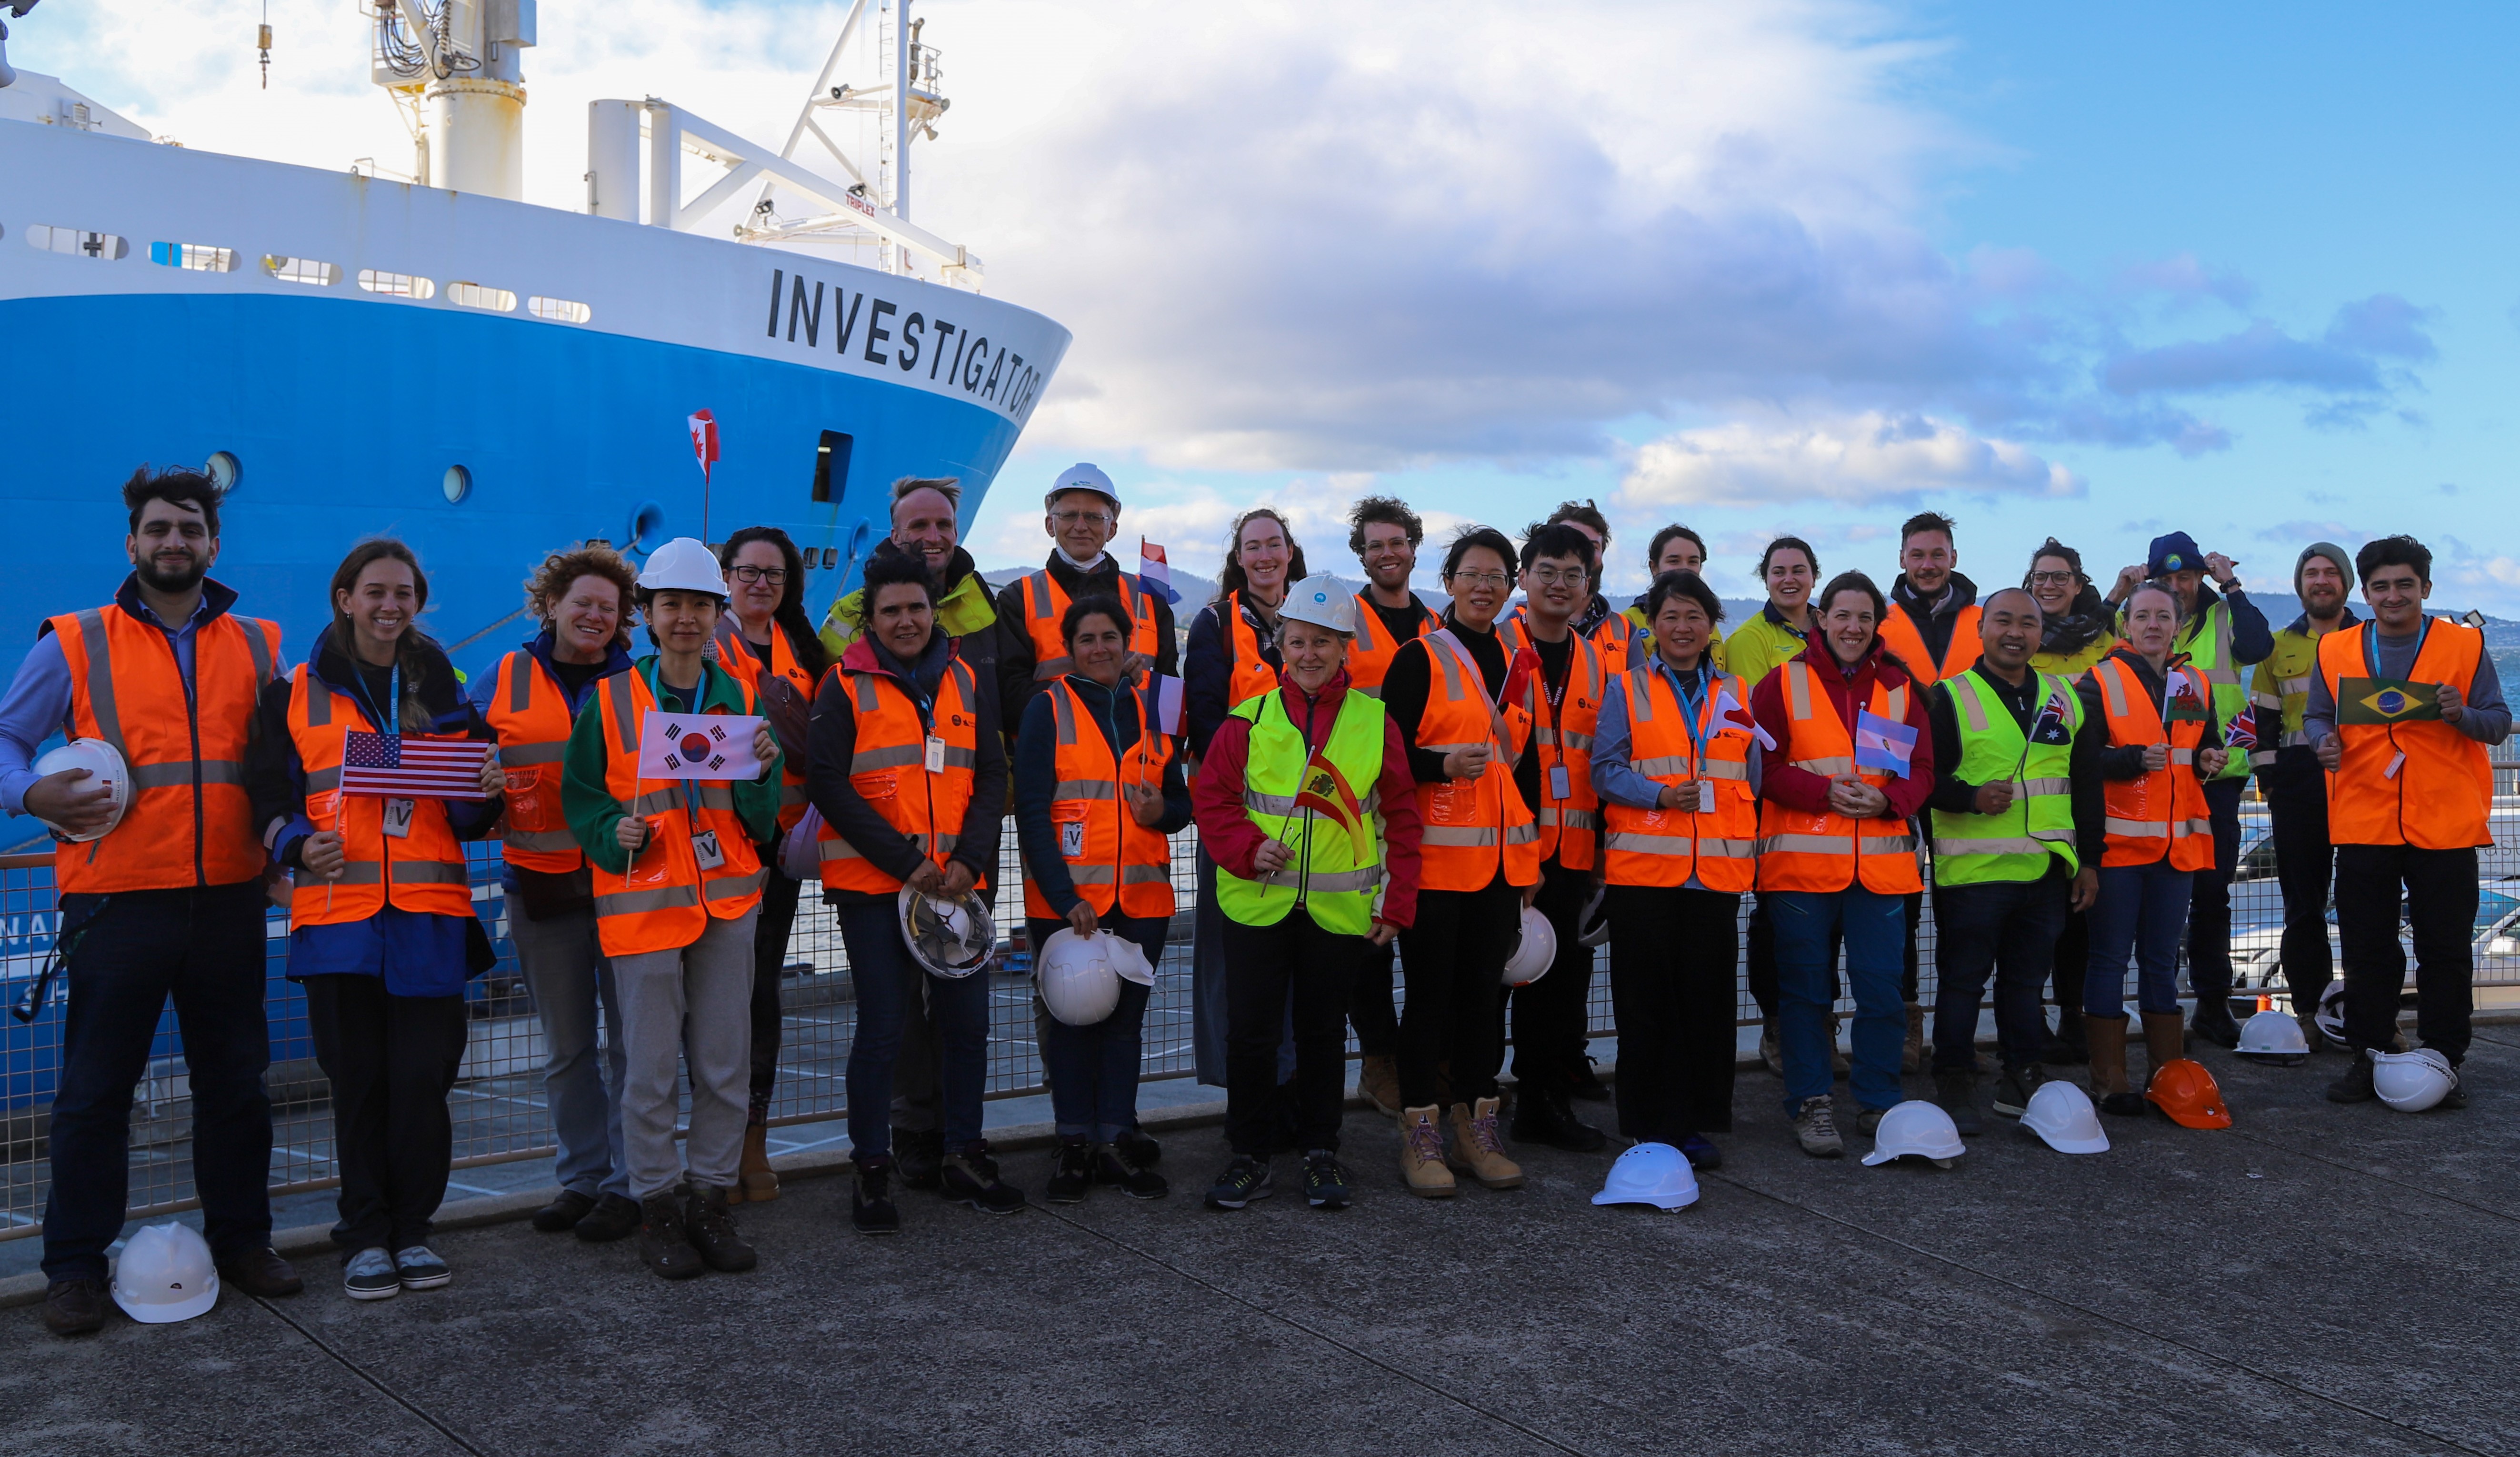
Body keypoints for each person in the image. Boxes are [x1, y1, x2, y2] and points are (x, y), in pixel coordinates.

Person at [4, 467, 299, 1336]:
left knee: (236, 1084)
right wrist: (31, 796)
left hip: (228, 900)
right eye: (159, 529)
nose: (175, 542)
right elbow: (7, 737)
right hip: (117, 901)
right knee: (95, 1092)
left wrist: (284, 845)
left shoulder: (257, 645)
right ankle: (73, 1268)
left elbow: (281, 761)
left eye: (191, 529)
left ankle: (244, 1241)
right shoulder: (74, 639)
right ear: (131, 543)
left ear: (214, 543)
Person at [251, 538, 503, 1299]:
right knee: (357, 1080)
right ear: (345, 597)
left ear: (417, 602)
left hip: (428, 912)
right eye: (376, 591)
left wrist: (486, 787)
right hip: (338, 915)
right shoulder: (291, 692)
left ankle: (414, 1229)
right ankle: (364, 1233)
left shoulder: (448, 688)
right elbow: (264, 800)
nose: (390, 605)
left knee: (423, 1078)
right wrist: (296, 843)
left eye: (404, 593)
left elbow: (468, 816)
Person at [561, 538, 783, 1279]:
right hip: (645, 903)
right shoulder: (610, 699)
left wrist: (767, 767)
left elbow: (756, 816)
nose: (685, 618)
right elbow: (583, 797)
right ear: (648, 617)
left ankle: (709, 1199)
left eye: (698, 605)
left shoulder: (743, 699)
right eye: (671, 605)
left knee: (724, 1064)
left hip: (726, 903)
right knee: (650, 1068)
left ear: (718, 615)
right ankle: (659, 1205)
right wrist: (607, 830)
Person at [1193, 577, 1421, 1210]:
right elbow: (1213, 802)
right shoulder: (1248, 720)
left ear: (1346, 645)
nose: (1310, 653)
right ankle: (1250, 1153)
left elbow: (1400, 816)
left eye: (1323, 641)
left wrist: (1397, 902)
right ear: (1280, 645)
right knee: (1252, 1036)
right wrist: (1245, 848)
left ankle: (1323, 1151)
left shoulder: (1375, 722)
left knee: (1323, 1033)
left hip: (1338, 910)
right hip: (1257, 904)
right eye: (1298, 640)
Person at [810, 549, 1016, 1231]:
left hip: (957, 887)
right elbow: (829, 784)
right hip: (875, 887)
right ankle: (873, 1167)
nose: (906, 621)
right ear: (871, 618)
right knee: (884, 1029)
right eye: (892, 610)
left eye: (917, 608)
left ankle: (964, 1152)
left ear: (935, 611)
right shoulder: (843, 684)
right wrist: (906, 862)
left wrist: (968, 857)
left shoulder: (962, 678)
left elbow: (991, 774)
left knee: (967, 1027)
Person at [477, 546, 642, 1244]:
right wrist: (477, 786)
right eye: (583, 603)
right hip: (541, 890)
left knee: (636, 1046)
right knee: (569, 1047)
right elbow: (462, 769)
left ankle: (633, 1182)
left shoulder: (643, 681)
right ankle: (582, 1178)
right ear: (550, 604)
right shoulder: (503, 676)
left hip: (627, 888)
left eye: (609, 606)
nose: (596, 615)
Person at [2310, 536, 2510, 1106]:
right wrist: (2322, 741)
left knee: (2444, 948)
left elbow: (2497, 722)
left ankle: (2444, 1060)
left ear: (2426, 587)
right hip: (2363, 819)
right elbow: (2320, 717)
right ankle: (2368, 1054)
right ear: (2365, 592)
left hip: (2445, 822)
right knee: (2368, 948)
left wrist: (2460, 714)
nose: (2393, 595)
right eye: (2381, 586)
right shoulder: (2336, 649)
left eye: (2405, 584)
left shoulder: (2465, 645)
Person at [1750, 571, 1935, 1157]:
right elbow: (1762, 768)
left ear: (1876, 623)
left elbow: (1924, 771)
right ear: (1820, 618)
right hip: (1800, 870)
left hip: (1880, 872)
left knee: (1882, 990)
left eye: (1863, 617)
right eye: (1841, 615)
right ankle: (1812, 1101)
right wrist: (1822, 793)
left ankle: (1878, 1100)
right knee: (1805, 992)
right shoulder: (1780, 684)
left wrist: (1889, 799)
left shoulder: (1901, 688)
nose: (1852, 627)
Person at [1016, 593, 1191, 1202]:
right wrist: (1065, 898)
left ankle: (1115, 1136)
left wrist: (1161, 811)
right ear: (1070, 648)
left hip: (1143, 900)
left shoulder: (1157, 709)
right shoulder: (1047, 709)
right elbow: (1032, 813)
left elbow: (1182, 804)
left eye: (1109, 638)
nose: (1099, 649)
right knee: (1071, 1024)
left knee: (1123, 1027)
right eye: (1086, 639)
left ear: (1126, 643)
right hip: (1069, 908)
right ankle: (1073, 1143)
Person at [1379, 527, 1539, 1194]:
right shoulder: (1420, 657)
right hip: (1437, 870)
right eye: (1473, 573)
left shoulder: (1516, 662)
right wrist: (1440, 764)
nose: (1485, 586)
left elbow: (1524, 771)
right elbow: (1385, 762)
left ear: (1510, 587)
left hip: (1501, 869)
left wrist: (1530, 867)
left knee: (1484, 1004)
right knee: (1429, 1004)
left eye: (1498, 576)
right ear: (1448, 581)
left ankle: (1478, 1130)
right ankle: (1421, 1135)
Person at [1590, 569, 1758, 1170]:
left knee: (1706, 1004)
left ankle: (1693, 1122)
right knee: (1643, 1005)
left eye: (1693, 616)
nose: (1682, 627)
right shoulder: (1625, 688)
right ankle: (1646, 1123)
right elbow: (1603, 770)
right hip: (1644, 877)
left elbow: (1750, 779)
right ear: (1653, 626)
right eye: (1670, 616)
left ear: (1711, 624)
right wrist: (1658, 796)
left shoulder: (1736, 692)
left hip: (1715, 876)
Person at [1922, 588, 2102, 1136]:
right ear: (1981, 627)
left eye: (2028, 622)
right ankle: (1955, 1076)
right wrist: (1969, 797)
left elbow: (2086, 785)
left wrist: (2089, 861)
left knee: (2026, 984)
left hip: (2045, 872)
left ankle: (2021, 1073)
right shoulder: (1949, 697)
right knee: (1962, 983)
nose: (2016, 632)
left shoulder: (2066, 697)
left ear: (2041, 633)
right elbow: (1921, 780)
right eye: (2004, 620)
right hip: (1974, 875)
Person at [2103, 531, 2271, 1048]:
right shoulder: (2130, 615)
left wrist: (2233, 585)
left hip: (2213, 776)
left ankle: (2212, 1004)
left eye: (2188, 576)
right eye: (2168, 579)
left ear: (2202, 576)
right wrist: (2115, 592)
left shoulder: (2224, 615)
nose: (2179, 586)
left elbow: (2260, 645)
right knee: (2150, 908)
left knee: (2211, 894)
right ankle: (2160, 1007)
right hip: (2139, 781)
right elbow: (2088, 645)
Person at [711, 526, 832, 1205]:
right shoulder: (702, 642)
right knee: (714, 997)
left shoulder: (806, 656)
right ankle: (715, 1141)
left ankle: (751, 1137)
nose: (761, 583)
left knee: (760, 993)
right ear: (726, 576)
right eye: (749, 571)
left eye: (775, 574)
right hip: (718, 843)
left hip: (780, 849)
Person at [2077, 583, 2228, 1116]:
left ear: (2179, 626)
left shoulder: (2195, 681)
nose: (2153, 625)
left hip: (2177, 849)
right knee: (2111, 958)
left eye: (2163, 616)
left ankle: (2168, 1070)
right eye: (2142, 616)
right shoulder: (2098, 680)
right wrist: (2132, 760)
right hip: (2119, 848)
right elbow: (2085, 761)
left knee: (2162, 960)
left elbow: (2204, 739)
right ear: (2126, 626)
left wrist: (2211, 754)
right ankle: (2110, 1075)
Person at [1493, 522, 1609, 1151]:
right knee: (1487, 988)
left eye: (1573, 574)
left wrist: (1599, 862)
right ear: (1524, 577)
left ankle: (1542, 1103)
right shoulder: (1494, 647)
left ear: (1589, 587)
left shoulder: (1596, 660)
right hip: (1501, 851)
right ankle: (1472, 1109)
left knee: (1557, 992)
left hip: (1569, 855)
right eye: (1547, 571)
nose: (1560, 584)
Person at [1184, 508, 1304, 1094]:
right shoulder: (1213, 624)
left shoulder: (1313, 614)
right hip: (1239, 817)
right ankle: (1244, 1085)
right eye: (1252, 546)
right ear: (1238, 557)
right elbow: (1206, 719)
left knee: (1302, 956)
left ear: (1289, 551)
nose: (1264, 556)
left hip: (1311, 818)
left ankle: (1294, 1080)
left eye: (1274, 544)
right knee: (1233, 956)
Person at [1724, 536, 1831, 1076]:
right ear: (1764, 578)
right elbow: (1753, 727)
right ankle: (1779, 1025)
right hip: (1781, 799)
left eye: (1799, 569)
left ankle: (1819, 1026)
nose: (1789, 578)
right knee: (1777, 922)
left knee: (1828, 925)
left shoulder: (1836, 625)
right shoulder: (1750, 638)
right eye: (1778, 570)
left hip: (1839, 810)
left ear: (1815, 575)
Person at [1343, 496, 1435, 1116]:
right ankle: (1379, 1064)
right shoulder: (1345, 620)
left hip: (1428, 802)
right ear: (1362, 554)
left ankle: (1423, 1063)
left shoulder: (1440, 624)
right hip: (1363, 803)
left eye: (1396, 541)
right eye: (1375, 544)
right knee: (1369, 946)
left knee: (1426, 946)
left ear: (1413, 546)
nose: (1386, 553)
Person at [1879, 511, 1980, 1074]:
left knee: (1965, 918)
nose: (1927, 564)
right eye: (1917, 554)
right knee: (1905, 914)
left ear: (1953, 559)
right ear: (1902, 560)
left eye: (1937, 553)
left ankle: (1955, 1033)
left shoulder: (1985, 617)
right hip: (1905, 781)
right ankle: (1906, 1026)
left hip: (1970, 784)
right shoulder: (1882, 623)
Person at [2250, 543, 2356, 1049]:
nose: (2321, 580)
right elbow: (2262, 723)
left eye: (2331, 572)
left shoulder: (2372, 637)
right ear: (2300, 584)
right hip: (2297, 786)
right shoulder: (2276, 646)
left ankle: (2370, 1012)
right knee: (2304, 908)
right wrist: (2269, 783)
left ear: (2347, 583)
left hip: (2363, 782)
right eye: (2311, 573)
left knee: (2366, 906)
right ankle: (2311, 1011)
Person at [995, 462, 1177, 736]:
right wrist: (1103, 688)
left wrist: (1168, 765)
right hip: (1056, 766)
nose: (1080, 526)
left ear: (1112, 529)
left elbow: (1170, 695)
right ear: (1050, 524)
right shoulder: (1018, 599)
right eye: (1069, 515)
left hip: (1141, 769)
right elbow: (1011, 699)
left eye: (1093, 518)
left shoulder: (1150, 598)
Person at [2022, 537, 2113, 1062]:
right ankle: (2029, 1016)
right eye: (2041, 577)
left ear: (2079, 585)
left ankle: (2073, 1017)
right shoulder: (2013, 634)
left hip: (2084, 788)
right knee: (2032, 922)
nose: (2050, 586)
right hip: (2025, 800)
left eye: (2060, 577)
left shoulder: (2105, 639)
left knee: (2077, 922)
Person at [1540, 498, 1632, 677]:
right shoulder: (1516, 625)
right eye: (1571, 544)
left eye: (1592, 546)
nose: (1582, 555)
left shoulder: (1625, 631)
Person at [1621, 526, 1728, 673]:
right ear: (1654, 568)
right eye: (1674, 561)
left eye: (1693, 562)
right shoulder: (1629, 622)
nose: (1685, 569)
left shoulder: (1706, 620)